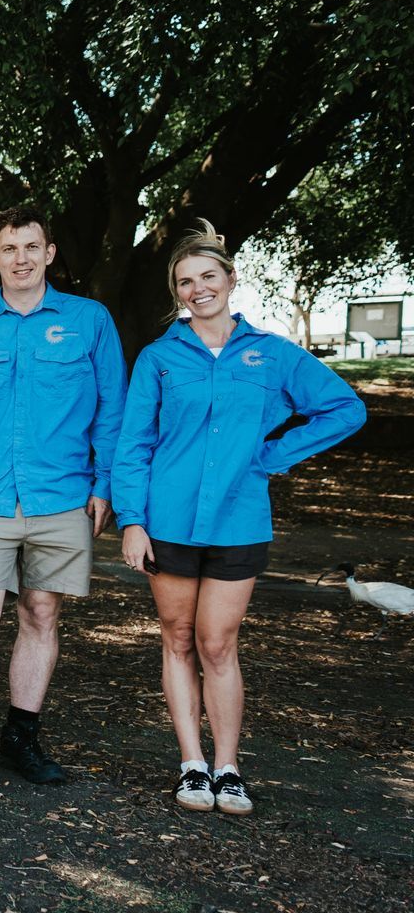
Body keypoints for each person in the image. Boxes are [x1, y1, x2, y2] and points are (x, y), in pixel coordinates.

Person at [114, 222, 365, 815]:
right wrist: (132, 519)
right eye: (185, 282)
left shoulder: (272, 354)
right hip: (167, 521)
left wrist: (269, 456)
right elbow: (133, 445)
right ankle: (191, 766)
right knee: (177, 640)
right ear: (176, 293)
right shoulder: (158, 358)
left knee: (217, 644)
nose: (198, 289)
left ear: (230, 279)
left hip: (239, 521)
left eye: (207, 276)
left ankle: (228, 767)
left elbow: (343, 409)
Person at [0, 205, 125, 793]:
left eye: (31, 247)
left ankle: (21, 738)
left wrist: (104, 484)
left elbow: (113, 408)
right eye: (10, 249)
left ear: (49, 253)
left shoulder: (90, 321)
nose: (21, 259)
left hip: (61, 494)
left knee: (41, 613)